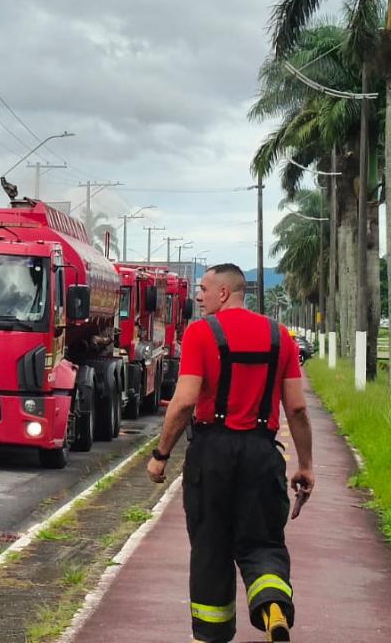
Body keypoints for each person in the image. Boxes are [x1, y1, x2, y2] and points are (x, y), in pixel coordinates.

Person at [148, 263, 314, 643]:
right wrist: (305, 466)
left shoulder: (201, 333)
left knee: (211, 549)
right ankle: (272, 604)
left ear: (224, 293)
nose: (199, 296)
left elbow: (185, 401)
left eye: (204, 288)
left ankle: (211, 634)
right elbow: (298, 410)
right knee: (264, 543)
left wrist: (161, 453)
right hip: (262, 453)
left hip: (212, 454)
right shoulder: (280, 337)